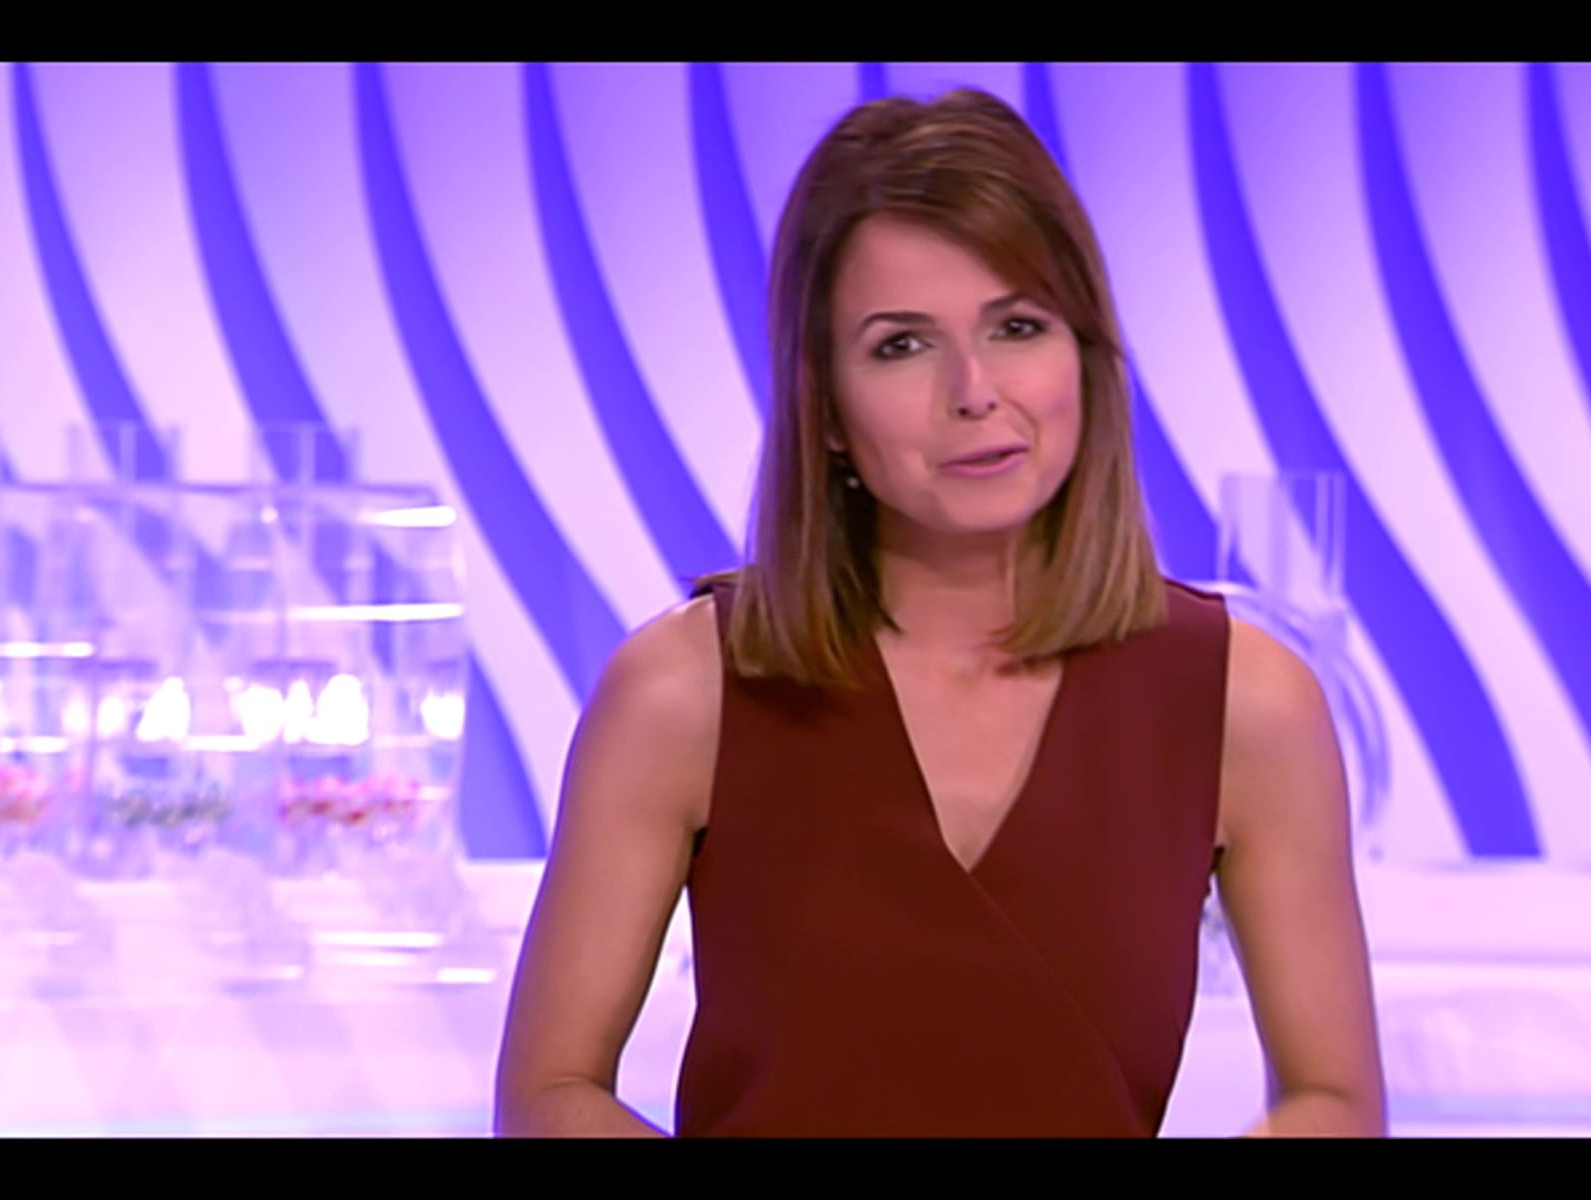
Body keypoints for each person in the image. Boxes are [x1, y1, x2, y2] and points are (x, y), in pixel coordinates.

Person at [493, 86, 1385, 1138]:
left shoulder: (1246, 703)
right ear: (824, 406)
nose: (974, 391)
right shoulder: (682, 693)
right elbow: (550, 1093)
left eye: (1017, 327)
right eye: (901, 346)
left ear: (1086, 358)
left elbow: (1333, 1100)